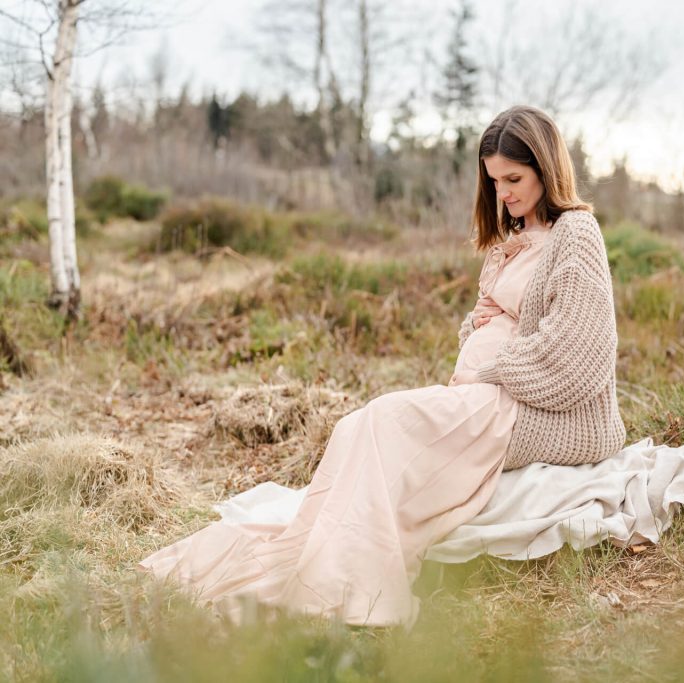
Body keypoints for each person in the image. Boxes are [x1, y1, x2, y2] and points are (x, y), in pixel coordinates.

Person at [138, 105, 625, 627]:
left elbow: (579, 356)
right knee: (356, 426)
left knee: (384, 422)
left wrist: (489, 365)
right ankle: (324, 564)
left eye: (514, 179)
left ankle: (351, 594)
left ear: (547, 169)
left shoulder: (576, 232)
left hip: (544, 413)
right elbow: (489, 330)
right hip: (492, 397)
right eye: (494, 181)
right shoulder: (512, 241)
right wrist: (479, 330)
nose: (503, 193)